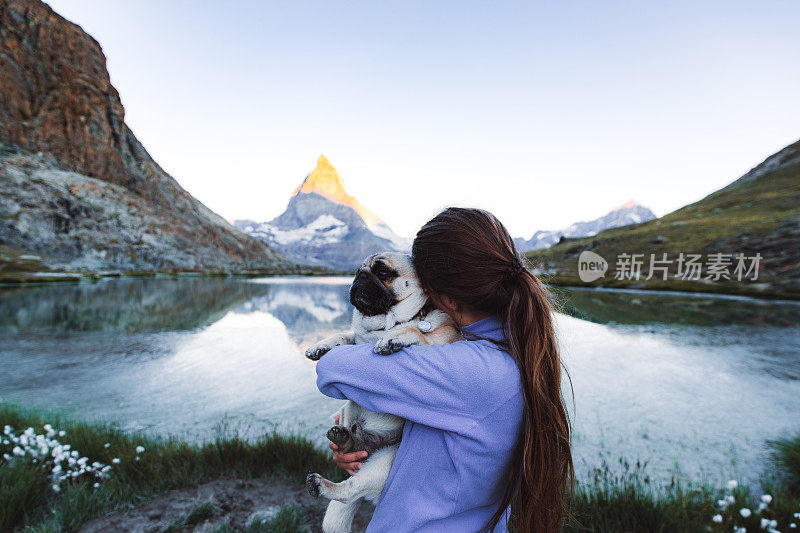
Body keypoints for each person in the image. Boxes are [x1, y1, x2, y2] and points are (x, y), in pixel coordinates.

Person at [315, 207, 573, 532]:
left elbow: (331, 368)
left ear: (447, 299)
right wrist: (362, 446)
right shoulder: (515, 354)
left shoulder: (468, 370)